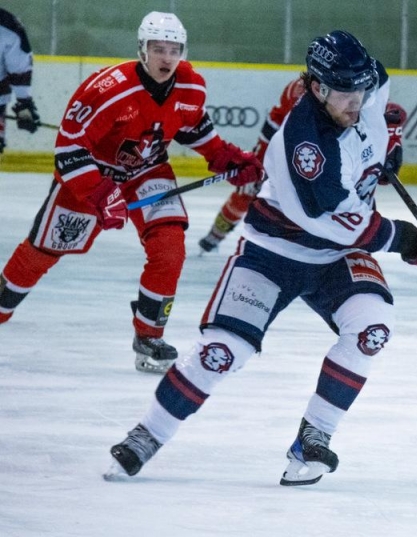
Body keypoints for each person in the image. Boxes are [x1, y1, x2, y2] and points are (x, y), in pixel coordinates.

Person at [105, 30, 417, 486]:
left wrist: (388, 139)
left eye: (361, 91)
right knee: (222, 352)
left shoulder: (363, 85)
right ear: (317, 89)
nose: (357, 101)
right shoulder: (305, 148)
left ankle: (314, 437)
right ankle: (148, 434)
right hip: (273, 254)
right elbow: (344, 223)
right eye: (345, 93)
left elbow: (379, 93)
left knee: (372, 329)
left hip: (336, 258)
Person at [0, 12, 264, 374]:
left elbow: (193, 130)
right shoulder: (107, 89)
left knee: (170, 247)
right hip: (92, 173)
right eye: (158, 49)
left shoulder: (192, 86)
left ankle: (149, 336)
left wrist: (226, 158)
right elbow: (68, 148)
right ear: (142, 49)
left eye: (174, 50)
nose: (167, 58)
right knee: (41, 254)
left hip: (147, 171)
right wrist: (99, 193)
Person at [198, 77, 305, 253]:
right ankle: (216, 234)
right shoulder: (299, 88)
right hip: (282, 147)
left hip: (312, 156)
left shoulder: (341, 92)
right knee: (247, 190)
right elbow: (275, 123)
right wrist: (259, 163)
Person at [0, 8, 41, 154]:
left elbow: (19, 67)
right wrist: (24, 102)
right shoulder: (8, 25)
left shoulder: (8, 25)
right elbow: (20, 68)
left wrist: (24, 103)